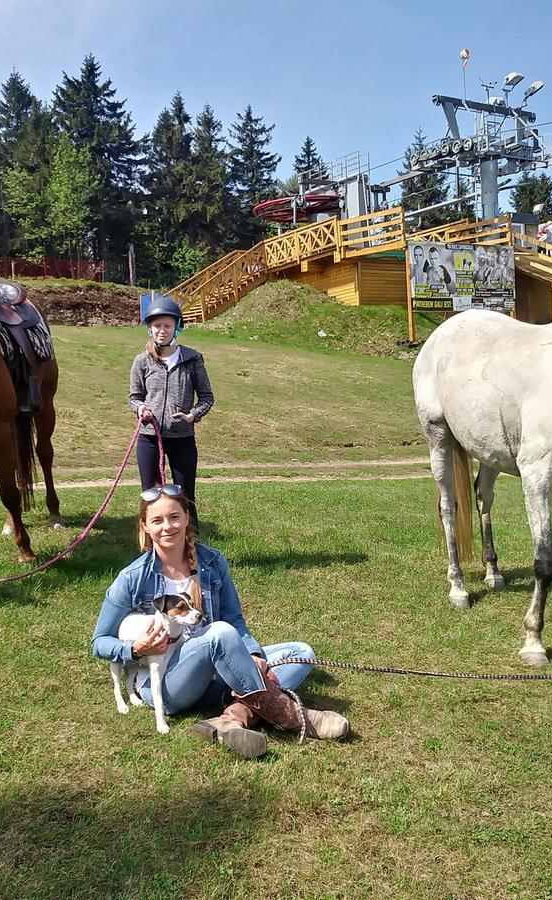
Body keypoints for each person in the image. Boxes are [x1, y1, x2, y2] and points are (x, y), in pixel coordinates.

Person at [91, 486, 350, 759]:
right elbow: (99, 642)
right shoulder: (133, 577)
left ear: (187, 517)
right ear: (145, 526)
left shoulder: (212, 561)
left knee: (300, 654)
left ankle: (232, 719)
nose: (167, 526)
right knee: (219, 633)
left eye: (174, 517)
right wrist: (135, 649)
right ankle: (294, 717)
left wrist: (252, 653)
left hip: (215, 674)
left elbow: (235, 619)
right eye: (157, 520)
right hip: (166, 686)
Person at [130, 293, 214, 526]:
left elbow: (207, 397)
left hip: (182, 438)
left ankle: (192, 546)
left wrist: (192, 415)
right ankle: (151, 547)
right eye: (157, 325)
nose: (162, 330)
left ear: (176, 327)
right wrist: (140, 409)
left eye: (167, 325)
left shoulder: (192, 359)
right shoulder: (142, 361)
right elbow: (134, 397)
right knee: (151, 496)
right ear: (149, 328)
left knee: (185, 495)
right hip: (149, 438)